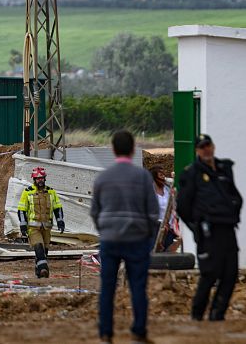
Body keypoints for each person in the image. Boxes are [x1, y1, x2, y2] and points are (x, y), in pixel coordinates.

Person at [91, 130, 158, 344]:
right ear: (133, 149)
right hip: (137, 240)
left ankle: (106, 333)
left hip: (110, 239)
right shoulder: (143, 177)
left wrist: (105, 231)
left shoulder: (103, 178)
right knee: (138, 286)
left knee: (107, 288)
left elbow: (95, 211)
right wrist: (148, 236)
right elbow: (153, 212)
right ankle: (139, 332)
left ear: (113, 149)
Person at [176, 134, 243, 322]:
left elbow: (235, 196)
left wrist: (234, 211)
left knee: (230, 274)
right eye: (202, 147)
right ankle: (197, 315)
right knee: (209, 273)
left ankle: (217, 314)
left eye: (208, 145)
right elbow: (183, 207)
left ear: (213, 146)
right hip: (208, 232)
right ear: (197, 150)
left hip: (227, 228)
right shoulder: (192, 173)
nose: (206, 149)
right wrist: (195, 226)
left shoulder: (224, 169)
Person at [17, 167, 65, 278]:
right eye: (38, 178)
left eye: (42, 178)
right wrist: (23, 225)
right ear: (34, 179)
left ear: (45, 178)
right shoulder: (28, 192)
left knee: (44, 251)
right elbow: (22, 209)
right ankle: (44, 269)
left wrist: (60, 221)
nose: (40, 180)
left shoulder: (51, 192)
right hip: (33, 227)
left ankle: (38, 270)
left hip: (47, 227)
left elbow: (57, 208)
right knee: (38, 246)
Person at [150, 164, 179, 251]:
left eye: (164, 174)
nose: (163, 177)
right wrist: (160, 224)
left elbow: (174, 206)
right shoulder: (150, 193)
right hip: (156, 229)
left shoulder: (168, 190)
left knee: (169, 251)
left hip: (169, 228)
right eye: (161, 175)